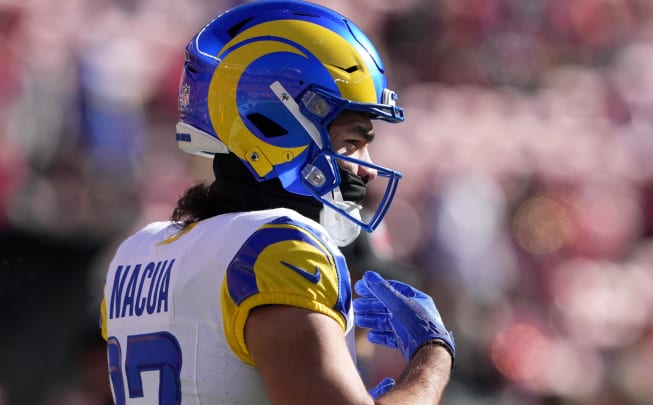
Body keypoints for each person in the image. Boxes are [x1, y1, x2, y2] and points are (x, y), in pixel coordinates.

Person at [99, 1, 455, 404]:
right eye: (353, 142)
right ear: (279, 124)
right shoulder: (280, 248)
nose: (367, 170)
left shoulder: (138, 250)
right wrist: (433, 355)